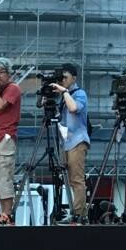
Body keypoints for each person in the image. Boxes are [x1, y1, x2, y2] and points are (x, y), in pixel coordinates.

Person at [51, 64, 90, 222]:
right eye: (61, 78)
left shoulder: (79, 93)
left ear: (74, 78)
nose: (63, 81)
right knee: (67, 180)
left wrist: (64, 92)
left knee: (76, 179)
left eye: (65, 78)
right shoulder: (62, 96)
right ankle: (73, 212)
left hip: (77, 141)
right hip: (65, 142)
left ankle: (79, 214)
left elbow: (74, 108)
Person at [0, 58, 22, 225]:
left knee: (3, 176)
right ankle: (3, 213)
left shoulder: (13, 88)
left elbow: (0, 106)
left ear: (8, 73)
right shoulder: (0, 91)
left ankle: (7, 214)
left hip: (4, 137)